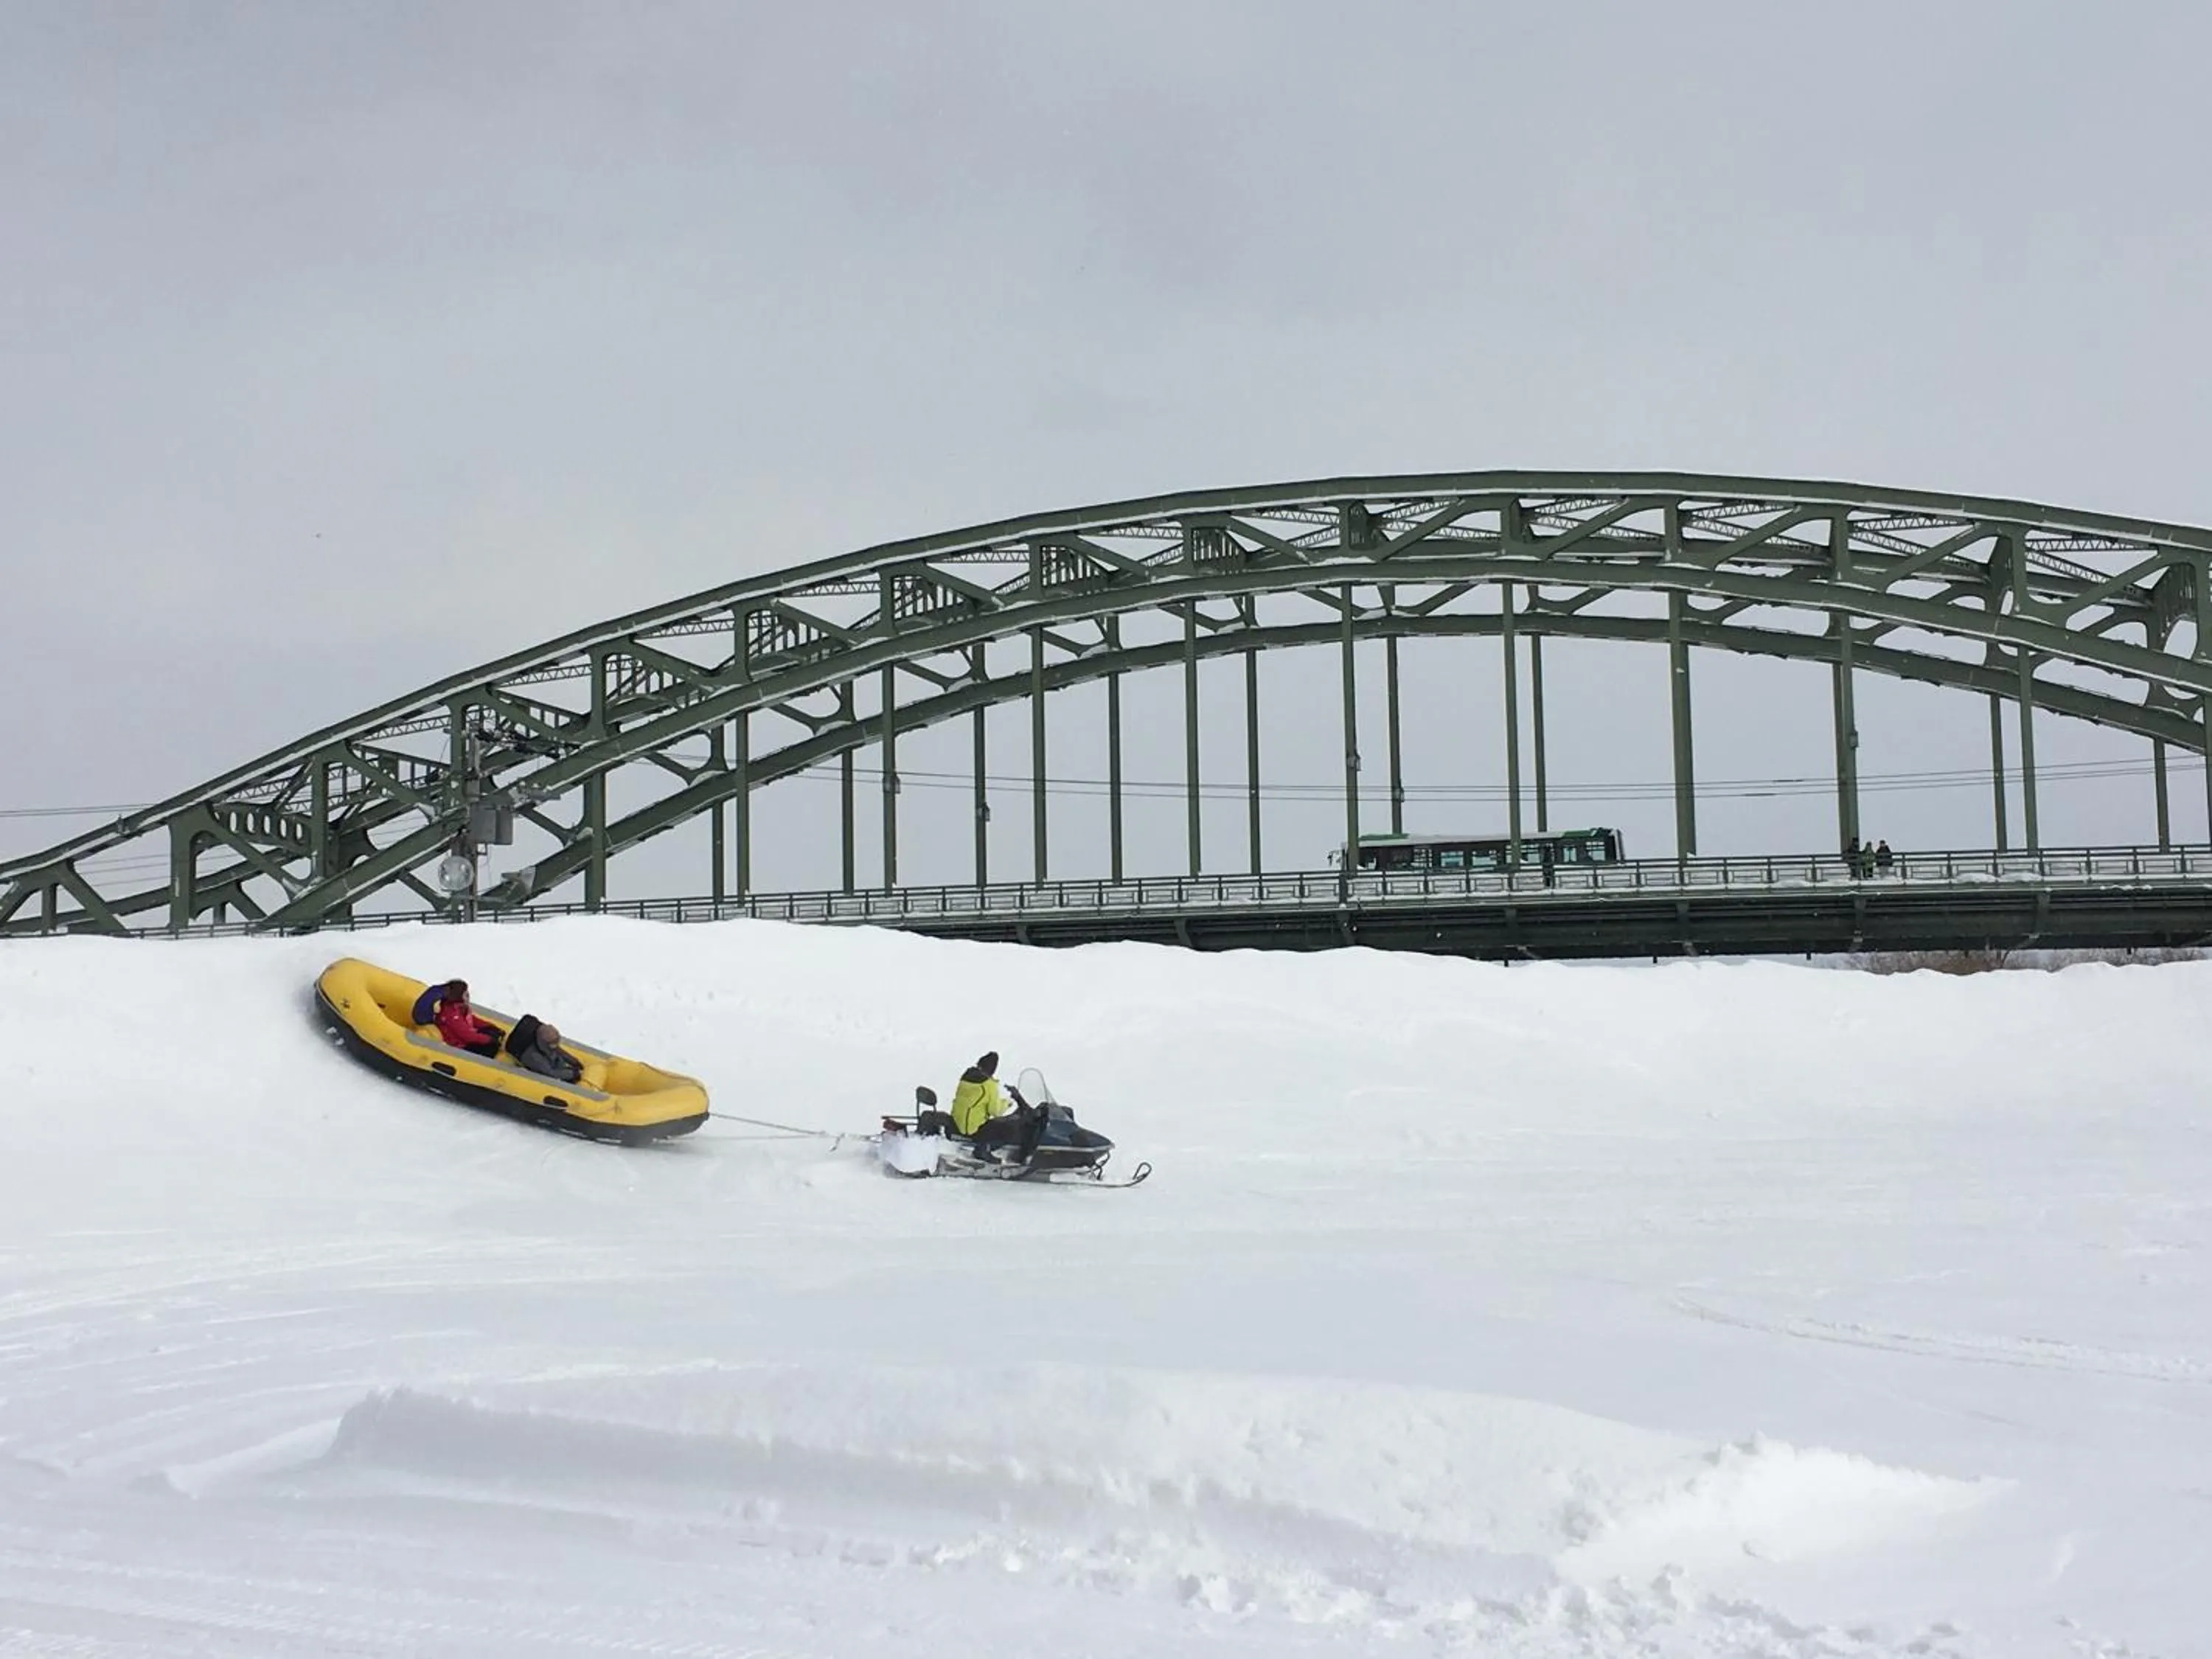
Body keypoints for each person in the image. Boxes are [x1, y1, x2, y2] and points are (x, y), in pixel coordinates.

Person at [950, 1051, 1040, 1162]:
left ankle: (983, 1148)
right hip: (973, 1129)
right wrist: (1007, 1103)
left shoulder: (966, 1078)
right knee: (1010, 1129)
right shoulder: (988, 1085)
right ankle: (983, 1150)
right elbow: (995, 1111)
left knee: (1000, 1123)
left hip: (958, 1121)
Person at [432, 981, 502, 1057]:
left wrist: (491, 1027)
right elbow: (467, 1036)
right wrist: (489, 1040)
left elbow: (472, 1019)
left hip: (465, 1039)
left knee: (491, 1032)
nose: (468, 996)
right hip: (461, 1046)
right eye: (466, 994)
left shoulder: (458, 1008)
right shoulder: (452, 1014)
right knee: (491, 1047)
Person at [511, 1015, 582, 1084]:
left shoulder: (544, 1038)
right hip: (530, 1057)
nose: (555, 1046)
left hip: (540, 1050)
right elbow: (550, 1073)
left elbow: (558, 1050)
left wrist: (574, 1061)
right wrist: (573, 1074)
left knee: (557, 1058)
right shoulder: (535, 1057)